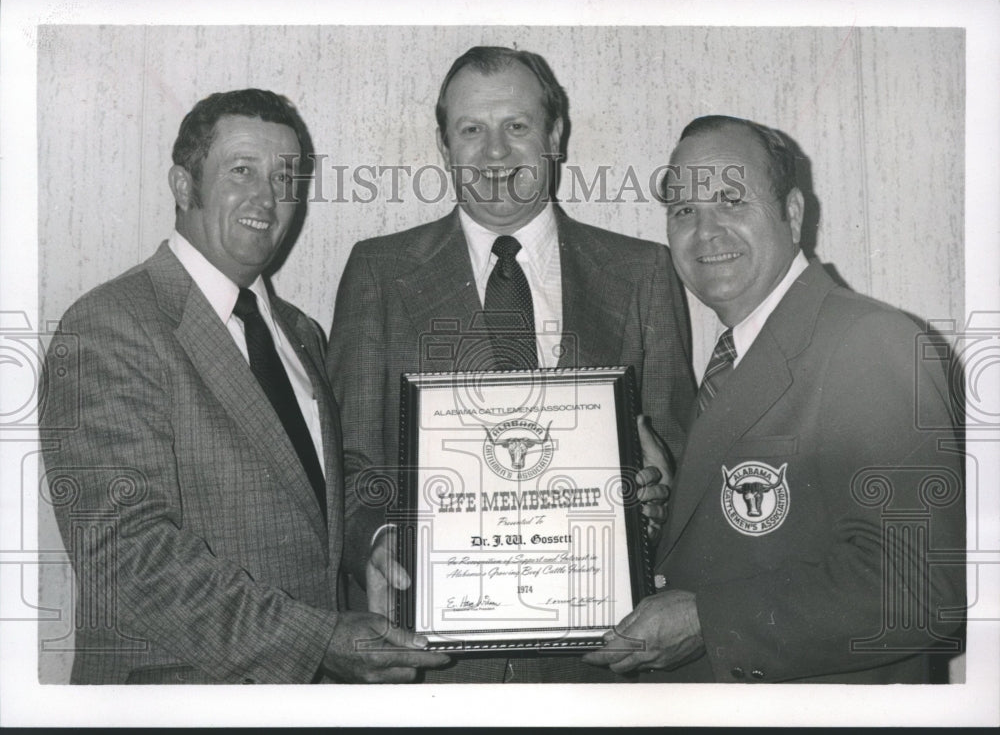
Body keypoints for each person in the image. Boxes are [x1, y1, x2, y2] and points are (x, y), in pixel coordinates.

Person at [39, 88, 448, 684]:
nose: (268, 196)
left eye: (286, 176)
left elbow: (311, 520)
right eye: (241, 171)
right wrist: (317, 641)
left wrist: (373, 553)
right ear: (184, 187)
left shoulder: (301, 334)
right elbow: (125, 556)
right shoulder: (109, 324)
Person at [327, 47, 696, 683]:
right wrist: (380, 541)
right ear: (444, 146)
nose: (495, 153)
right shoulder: (379, 271)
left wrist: (655, 494)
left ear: (554, 136)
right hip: (437, 667)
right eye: (472, 129)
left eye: (517, 126)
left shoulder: (642, 272)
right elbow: (351, 463)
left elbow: (680, 450)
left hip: (599, 664)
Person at [583, 115, 965, 683]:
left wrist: (710, 621)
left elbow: (923, 587)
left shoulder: (871, 341)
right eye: (683, 210)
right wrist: (659, 508)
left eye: (731, 201)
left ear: (792, 213)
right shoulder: (731, 359)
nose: (705, 232)